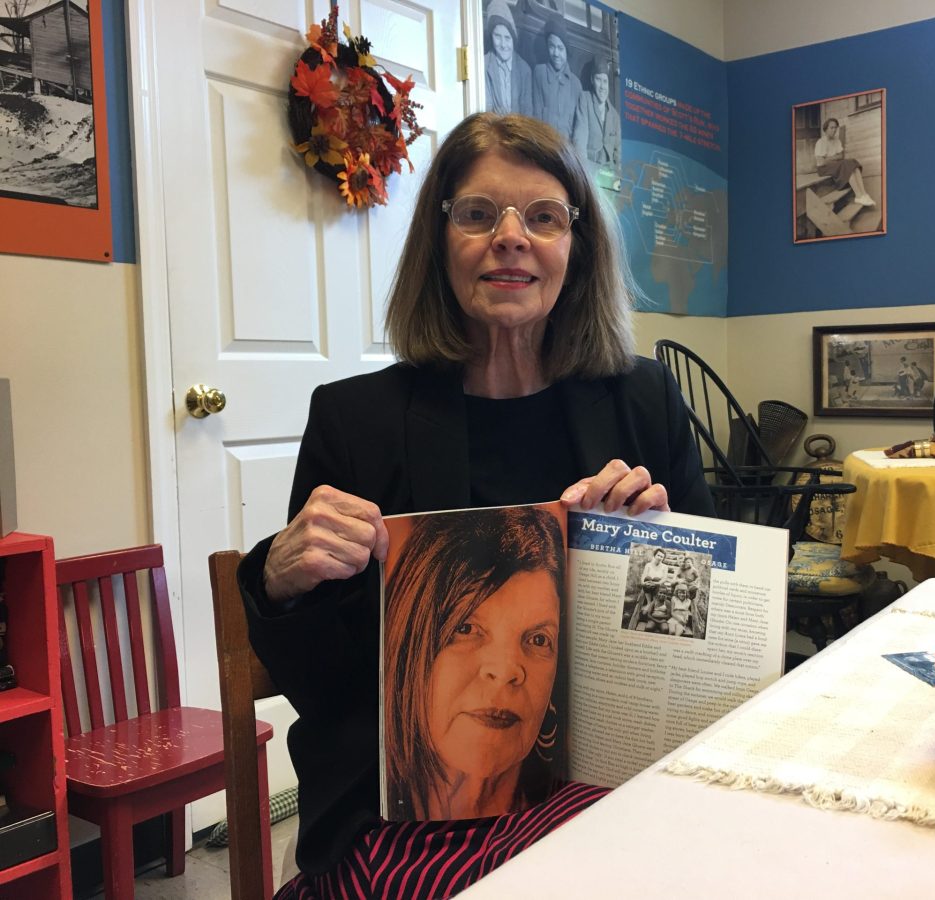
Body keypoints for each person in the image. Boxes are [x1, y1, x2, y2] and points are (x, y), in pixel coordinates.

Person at [237, 111, 714, 898]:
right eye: (478, 213)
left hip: (612, 779)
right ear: (441, 240)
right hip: (413, 812)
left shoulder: (643, 400)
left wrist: (660, 558)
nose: (512, 236)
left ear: (578, 247)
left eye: (545, 217)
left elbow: (699, 651)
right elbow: (322, 684)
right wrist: (283, 578)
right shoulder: (353, 421)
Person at [382, 506, 565, 821]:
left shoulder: (578, 817)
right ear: (411, 643)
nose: (506, 670)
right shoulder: (364, 840)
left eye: (538, 640)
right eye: (465, 629)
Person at [532, 17, 582, 137]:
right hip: (545, 146)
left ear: (566, 50)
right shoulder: (539, 73)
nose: (555, 53)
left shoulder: (575, 84)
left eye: (560, 48)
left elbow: (578, 127)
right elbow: (535, 115)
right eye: (551, 46)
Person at [483, 0, 532, 117]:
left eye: (507, 38)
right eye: (497, 37)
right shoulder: (484, 64)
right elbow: (485, 108)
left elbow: (527, 113)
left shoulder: (524, 70)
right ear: (491, 36)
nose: (503, 44)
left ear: (513, 39)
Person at [814, 117, 875, 208]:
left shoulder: (837, 141)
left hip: (834, 165)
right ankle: (858, 196)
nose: (834, 130)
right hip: (823, 168)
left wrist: (829, 157)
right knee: (845, 164)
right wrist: (835, 158)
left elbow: (841, 156)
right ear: (826, 129)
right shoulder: (821, 142)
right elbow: (821, 162)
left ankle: (864, 194)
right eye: (832, 128)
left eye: (836, 128)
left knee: (852, 162)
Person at [572, 56, 619, 169]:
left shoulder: (614, 115)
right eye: (598, 80)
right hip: (589, 167)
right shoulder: (585, 99)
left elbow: (619, 153)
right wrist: (583, 170)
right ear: (592, 80)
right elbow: (579, 139)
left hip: (609, 174)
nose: (602, 86)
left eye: (605, 81)